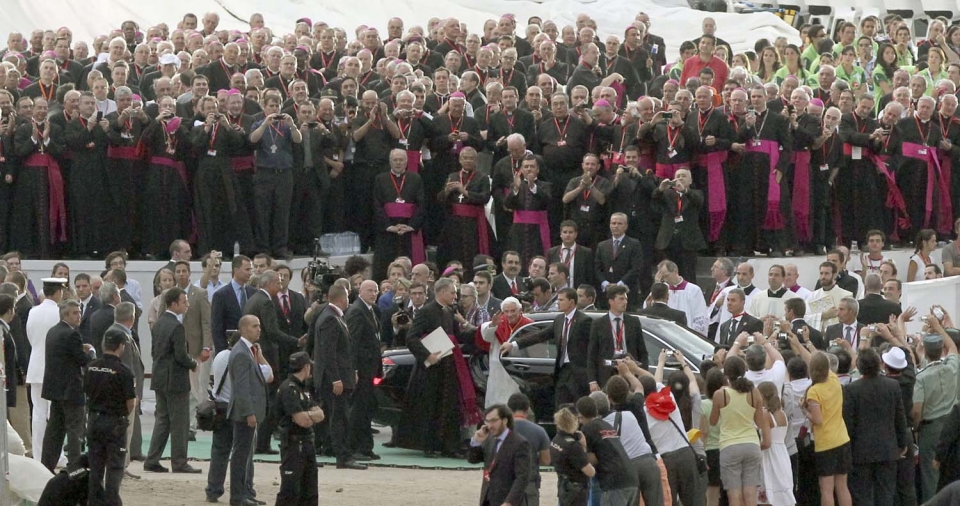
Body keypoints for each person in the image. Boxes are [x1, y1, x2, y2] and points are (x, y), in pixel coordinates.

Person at [398, 277, 481, 456]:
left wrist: (481, 332)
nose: (455, 296)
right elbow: (411, 338)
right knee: (431, 407)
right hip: (431, 369)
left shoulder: (450, 311)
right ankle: (429, 445)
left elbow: (458, 336)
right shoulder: (426, 311)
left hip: (449, 367)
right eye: (452, 293)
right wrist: (428, 355)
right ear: (442, 292)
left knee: (449, 407)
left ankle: (449, 446)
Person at [144, 287, 201, 474]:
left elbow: (154, 352)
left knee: (162, 421)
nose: (187, 305)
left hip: (160, 379)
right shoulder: (177, 326)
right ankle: (179, 462)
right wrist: (193, 363)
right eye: (184, 301)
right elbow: (181, 356)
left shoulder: (159, 323)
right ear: (174, 304)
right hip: (175, 381)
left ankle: (152, 459)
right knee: (180, 423)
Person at [243, 269, 300, 455]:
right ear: (268, 283)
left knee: (263, 398)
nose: (281, 285)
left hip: (256, 352)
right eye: (278, 282)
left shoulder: (253, 299)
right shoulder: (266, 302)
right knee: (270, 401)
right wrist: (296, 341)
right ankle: (262, 443)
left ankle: (259, 441)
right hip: (266, 355)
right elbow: (273, 332)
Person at [842, 348, 909, 506]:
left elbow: (848, 423)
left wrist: (848, 449)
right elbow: (900, 417)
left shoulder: (851, 389)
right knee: (886, 495)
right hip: (887, 448)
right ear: (879, 364)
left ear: (859, 366)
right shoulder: (892, 386)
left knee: (862, 496)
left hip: (860, 451)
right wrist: (902, 443)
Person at [502, 288, 591, 405]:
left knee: (577, 407)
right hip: (562, 371)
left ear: (571, 302)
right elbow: (541, 335)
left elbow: (593, 348)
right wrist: (514, 344)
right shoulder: (559, 320)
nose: (558, 303)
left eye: (561, 300)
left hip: (578, 374)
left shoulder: (584, 321)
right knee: (560, 406)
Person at [313, 284, 365, 469]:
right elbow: (329, 353)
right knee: (339, 418)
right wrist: (336, 379)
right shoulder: (330, 318)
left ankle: (329, 449)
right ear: (343, 298)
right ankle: (343, 456)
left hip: (339, 376)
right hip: (334, 379)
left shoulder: (333, 316)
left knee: (332, 416)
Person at [41, 298, 95, 472]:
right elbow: (83, 361)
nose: (79, 316)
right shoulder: (72, 334)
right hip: (71, 390)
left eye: (79, 312)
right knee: (74, 431)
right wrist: (91, 351)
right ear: (65, 315)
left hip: (55, 389)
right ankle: (74, 467)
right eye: (75, 313)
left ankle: (46, 466)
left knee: (54, 432)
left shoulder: (52, 331)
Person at [84, 328, 136, 506]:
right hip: (115, 422)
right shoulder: (124, 371)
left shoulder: (91, 367)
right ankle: (112, 502)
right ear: (121, 346)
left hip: (94, 420)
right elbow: (131, 402)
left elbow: (86, 392)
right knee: (114, 468)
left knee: (95, 468)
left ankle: (94, 502)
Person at [709, 355, 770, 506]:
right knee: (751, 494)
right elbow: (759, 422)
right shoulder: (754, 392)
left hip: (729, 445)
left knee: (734, 495)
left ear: (726, 374)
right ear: (744, 371)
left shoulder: (720, 395)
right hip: (751, 444)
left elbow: (713, 421)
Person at [912, 312, 959, 502]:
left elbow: (917, 410)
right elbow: (953, 347)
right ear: (942, 349)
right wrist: (938, 327)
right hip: (952, 424)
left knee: (929, 475)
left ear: (925, 351)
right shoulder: (953, 367)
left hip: (930, 429)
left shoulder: (921, 377)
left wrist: (916, 427)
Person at [227, 314, 271, 506]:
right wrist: (249, 413)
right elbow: (241, 388)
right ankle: (238, 496)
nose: (258, 329)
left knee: (246, 455)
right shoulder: (241, 354)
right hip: (244, 414)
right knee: (241, 455)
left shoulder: (249, 350)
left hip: (250, 412)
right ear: (244, 329)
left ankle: (245, 492)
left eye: (259, 325)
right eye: (254, 326)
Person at [802, 351, 853, 506]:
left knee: (826, 489)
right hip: (842, 439)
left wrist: (804, 410)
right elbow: (821, 363)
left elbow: (818, 420)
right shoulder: (834, 379)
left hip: (825, 444)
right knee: (842, 487)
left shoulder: (814, 391)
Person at [275, 351, 325, 506]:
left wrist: (308, 415)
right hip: (293, 444)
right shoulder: (289, 389)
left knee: (310, 491)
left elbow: (321, 414)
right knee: (290, 491)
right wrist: (310, 416)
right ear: (306, 367)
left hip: (307, 442)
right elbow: (302, 421)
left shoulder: (304, 388)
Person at [26, 277, 66, 463]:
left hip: (35, 366)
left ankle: (38, 454)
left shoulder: (33, 311)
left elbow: (31, 337)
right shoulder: (60, 312)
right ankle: (56, 455)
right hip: (55, 368)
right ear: (58, 292)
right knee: (55, 415)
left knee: (38, 414)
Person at [576, 394, 639, 505]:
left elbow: (592, 460)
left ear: (581, 415)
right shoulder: (606, 425)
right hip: (631, 479)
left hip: (614, 482)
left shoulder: (587, 428)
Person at [345, 280, 383, 461]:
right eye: (369, 290)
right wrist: (354, 369)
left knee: (367, 408)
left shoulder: (371, 310)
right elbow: (352, 343)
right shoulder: (356, 311)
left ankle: (366, 447)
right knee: (358, 410)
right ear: (360, 291)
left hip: (371, 368)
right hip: (362, 369)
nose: (373, 294)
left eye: (375, 291)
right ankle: (355, 447)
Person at [106, 302, 144, 474]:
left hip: (117, 390)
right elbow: (127, 368)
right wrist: (132, 393)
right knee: (125, 429)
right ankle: (122, 465)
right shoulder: (121, 336)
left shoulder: (117, 332)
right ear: (132, 317)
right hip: (125, 392)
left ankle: (122, 464)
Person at [588, 286, 647, 393]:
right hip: (607, 372)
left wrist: (643, 375)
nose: (625, 302)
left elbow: (642, 351)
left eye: (626, 299)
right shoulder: (598, 324)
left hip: (630, 371)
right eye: (621, 299)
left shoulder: (633, 322)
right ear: (611, 301)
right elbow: (592, 354)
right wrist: (592, 381)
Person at [653, 168, 705, 282]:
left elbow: (698, 201)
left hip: (687, 241)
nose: (680, 178)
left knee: (688, 275)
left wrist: (685, 191)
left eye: (684, 176)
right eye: (678, 176)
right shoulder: (667, 194)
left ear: (690, 181)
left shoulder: (696, 193)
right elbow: (654, 199)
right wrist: (660, 189)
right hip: (668, 240)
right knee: (667, 275)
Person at [478, 297, 528, 407]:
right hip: (498, 370)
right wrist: (493, 325)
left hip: (519, 369)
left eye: (513, 311)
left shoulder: (527, 324)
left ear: (520, 310)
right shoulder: (497, 322)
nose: (509, 314)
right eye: (506, 311)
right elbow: (486, 337)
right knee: (498, 404)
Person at [506, 393, 551, 506]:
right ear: (527, 409)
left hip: (505, 483)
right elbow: (546, 461)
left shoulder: (501, 430)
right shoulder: (539, 431)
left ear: (508, 409)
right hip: (529, 483)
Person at [756, 381, 796, 506]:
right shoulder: (782, 413)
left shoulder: (765, 415)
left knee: (768, 493)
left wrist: (754, 447)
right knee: (782, 495)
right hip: (782, 454)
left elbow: (767, 442)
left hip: (769, 457)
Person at [550, 406, 596, 506]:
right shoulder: (573, 446)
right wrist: (583, 448)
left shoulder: (555, 440)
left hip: (563, 487)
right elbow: (590, 472)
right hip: (576, 492)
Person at [595, 213, 643, 307]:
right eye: (613, 223)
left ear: (626, 226)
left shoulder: (634, 244)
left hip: (627, 292)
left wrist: (619, 284)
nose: (616, 226)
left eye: (620, 223)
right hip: (606, 293)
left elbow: (636, 267)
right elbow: (597, 268)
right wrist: (605, 283)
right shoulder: (602, 245)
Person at [211, 255, 256, 353]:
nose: (250, 273)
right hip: (230, 348)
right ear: (236, 270)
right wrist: (223, 352)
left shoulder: (253, 293)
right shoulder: (221, 295)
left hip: (252, 348)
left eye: (250, 270)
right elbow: (216, 328)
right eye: (247, 269)